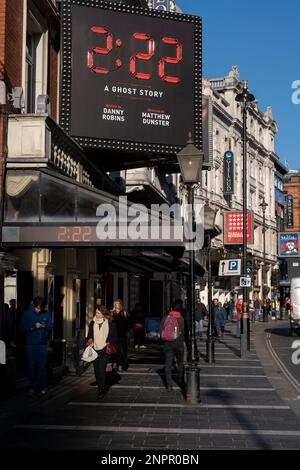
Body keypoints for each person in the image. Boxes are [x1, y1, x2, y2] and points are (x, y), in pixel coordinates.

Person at [20, 296, 53, 396]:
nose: (38, 310)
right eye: (37, 308)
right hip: (31, 344)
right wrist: (33, 326)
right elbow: (22, 328)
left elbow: (51, 325)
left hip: (42, 345)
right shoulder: (27, 314)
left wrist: (44, 326)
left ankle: (42, 386)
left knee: (42, 367)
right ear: (33, 305)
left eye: (40, 308)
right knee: (31, 366)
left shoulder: (45, 313)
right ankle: (32, 387)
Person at [87, 306, 118, 399]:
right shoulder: (92, 323)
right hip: (95, 349)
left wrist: (109, 342)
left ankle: (101, 389)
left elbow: (114, 337)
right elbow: (89, 335)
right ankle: (101, 385)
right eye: (96, 313)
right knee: (96, 371)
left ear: (103, 314)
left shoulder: (110, 324)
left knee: (101, 369)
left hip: (105, 349)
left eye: (98, 313)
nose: (96, 315)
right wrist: (90, 339)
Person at [160, 304, 185, 392]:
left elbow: (161, 332)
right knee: (180, 363)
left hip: (168, 344)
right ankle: (181, 382)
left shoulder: (165, 318)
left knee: (168, 364)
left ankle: (169, 385)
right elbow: (184, 332)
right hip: (179, 344)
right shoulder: (181, 319)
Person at [111, 299, 131, 371]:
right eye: (115, 304)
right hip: (114, 335)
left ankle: (124, 365)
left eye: (118, 304)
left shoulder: (125, 313)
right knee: (116, 350)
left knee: (124, 351)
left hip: (123, 334)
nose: (116, 305)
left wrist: (128, 332)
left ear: (120, 305)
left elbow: (128, 323)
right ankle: (117, 364)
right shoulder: (112, 313)